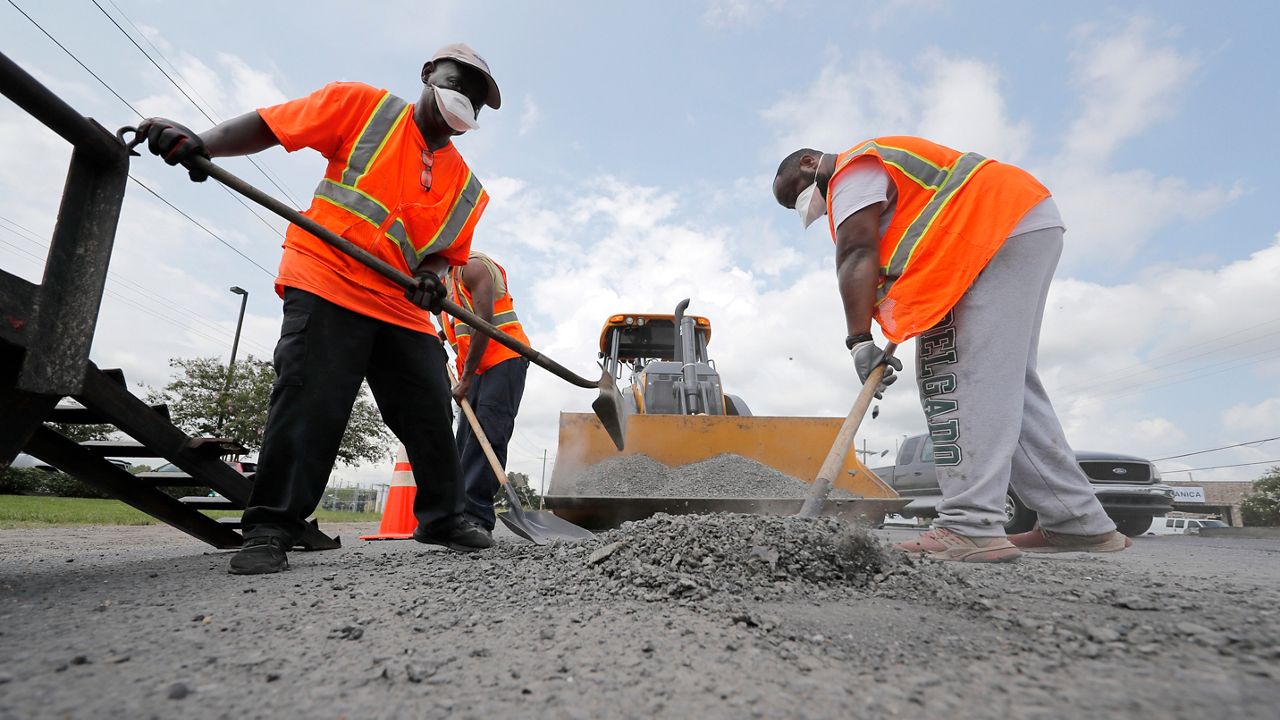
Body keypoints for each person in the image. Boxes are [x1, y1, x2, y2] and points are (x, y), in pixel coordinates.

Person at [136, 43, 503, 574]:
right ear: (428, 74)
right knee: (312, 401)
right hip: (327, 276)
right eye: (457, 81)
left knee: (427, 407)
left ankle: (443, 517)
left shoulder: (467, 188)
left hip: (398, 305)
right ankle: (271, 526)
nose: (463, 97)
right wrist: (203, 145)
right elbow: (273, 124)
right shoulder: (365, 108)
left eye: (475, 97)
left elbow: (446, 258)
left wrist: (430, 278)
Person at [773, 136, 1131, 563]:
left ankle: (970, 525)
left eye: (797, 193)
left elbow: (855, 252)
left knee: (954, 372)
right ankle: (1077, 523)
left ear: (811, 163)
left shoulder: (854, 170)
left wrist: (859, 340)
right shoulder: (891, 182)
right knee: (1004, 380)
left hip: (992, 232)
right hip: (1018, 222)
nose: (809, 203)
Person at [437, 252, 531, 537]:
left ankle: (476, 517)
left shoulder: (472, 267)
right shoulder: (444, 289)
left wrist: (464, 379)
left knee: (488, 434)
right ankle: (458, 514)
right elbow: (461, 329)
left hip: (504, 358)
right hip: (476, 369)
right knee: (466, 441)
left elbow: (483, 321)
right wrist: (443, 336)